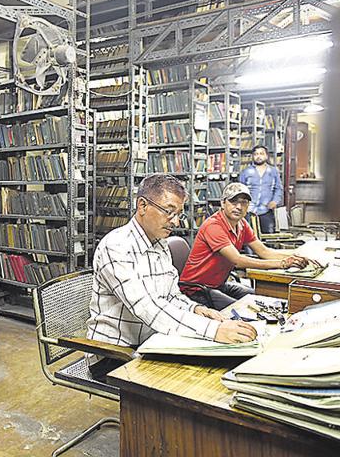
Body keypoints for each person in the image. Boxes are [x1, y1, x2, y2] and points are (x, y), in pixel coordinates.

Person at [86, 174, 257, 381]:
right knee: (193, 382)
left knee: (218, 368)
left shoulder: (160, 244)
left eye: (179, 214)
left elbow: (171, 295)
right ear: (142, 206)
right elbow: (147, 307)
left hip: (152, 340)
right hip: (114, 353)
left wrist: (195, 309)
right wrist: (213, 330)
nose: (175, 221)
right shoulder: (116, 247)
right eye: (169, 212)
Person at [179, 182, 316, 310]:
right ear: (222, 203)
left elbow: (264, 251)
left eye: (243, 203)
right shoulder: (214, 226)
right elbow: (237, 261)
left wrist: (298, 256)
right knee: (247, 310)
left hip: (218, 285)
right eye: (233, 202)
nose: (238, 207)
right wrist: (283, 263)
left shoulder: (242, 224)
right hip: (197, 289)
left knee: (264, 297)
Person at [239, 145, 284, 234]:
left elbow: (278, 188)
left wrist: (275, 201)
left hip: (266, 210)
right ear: (253, 156)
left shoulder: (273, 171)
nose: (258, 156)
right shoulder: (246, 172)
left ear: (266, 156)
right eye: (256, 154)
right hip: (249, 211)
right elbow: (240, 189)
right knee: (248, 239)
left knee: (268, 238)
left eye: (261, 154)